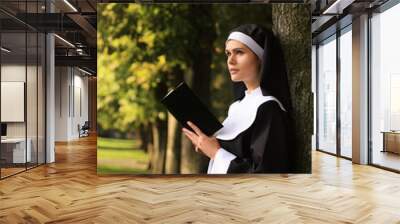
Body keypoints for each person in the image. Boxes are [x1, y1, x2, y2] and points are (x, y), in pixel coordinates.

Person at [182, 24, 294, 174]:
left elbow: (267, 175)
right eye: (228, 53)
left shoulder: (268, 108)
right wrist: (208, 148)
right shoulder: (236, 106)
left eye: (239, 52)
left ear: (261, 57)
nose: (230, 61)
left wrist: (216, 153)